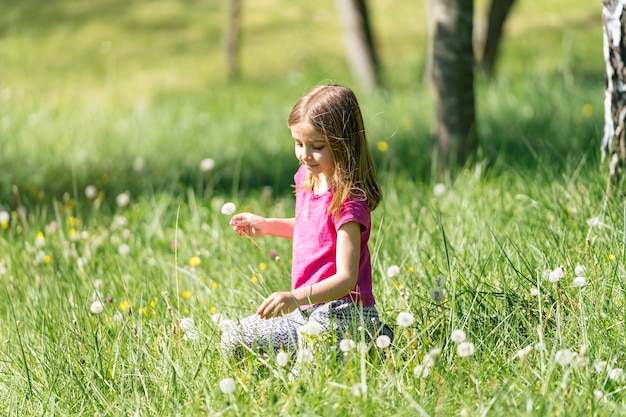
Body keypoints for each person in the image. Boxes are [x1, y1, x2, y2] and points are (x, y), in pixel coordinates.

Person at [221, 84, 389, 358]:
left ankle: (370, 336)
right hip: (304, 310)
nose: (304, 154)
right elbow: (313, 231)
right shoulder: (307, 178)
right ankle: (332, 347)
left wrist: (294, 297)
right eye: (298, 143)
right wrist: (268, 225)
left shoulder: (349, 201)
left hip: (344, 312)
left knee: (310, 371)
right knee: (234, 341)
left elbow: (347, 279)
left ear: (343, 142)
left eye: (317, 146)